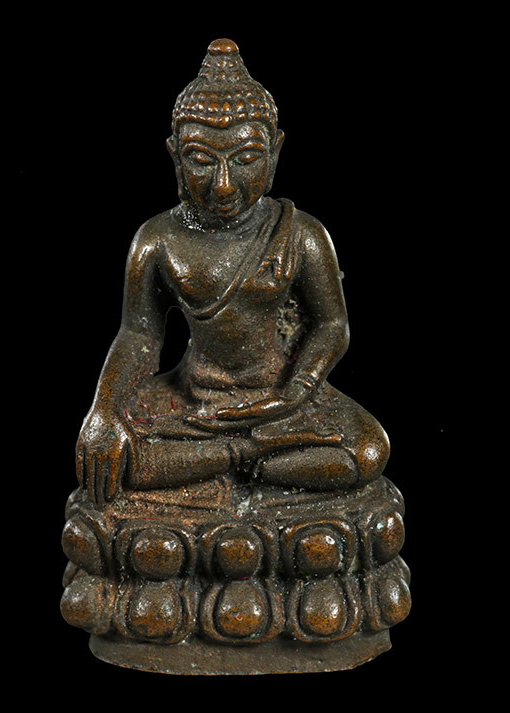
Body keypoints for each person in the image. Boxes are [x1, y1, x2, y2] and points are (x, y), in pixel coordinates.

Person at [76, 39, 389, 506]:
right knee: (115, 458)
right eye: (202, 160)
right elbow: (138, 333)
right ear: (175, 156)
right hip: (193, 398)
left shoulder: (301, 233)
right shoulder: (158, 238)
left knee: (368, 451)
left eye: (245, 159)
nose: (223, 185)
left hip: (279, 397)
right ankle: (245, 458)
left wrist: (296, 392)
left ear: (275, 153)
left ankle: (224, 461)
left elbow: (332, 325)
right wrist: (103, 412)